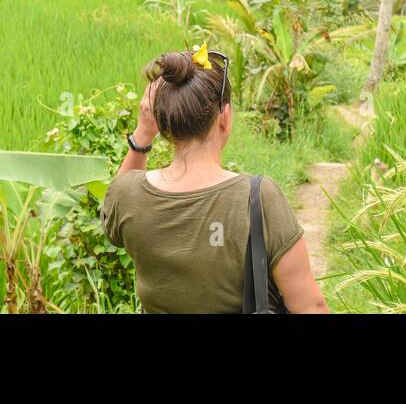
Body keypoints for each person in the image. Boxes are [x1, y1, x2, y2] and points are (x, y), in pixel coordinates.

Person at [99, 46, 329, 313]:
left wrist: (141, 135)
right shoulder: (258, 197)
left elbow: (111, 213)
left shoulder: (128, 195)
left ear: (159, 121)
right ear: (225, 117)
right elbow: (311, 305)